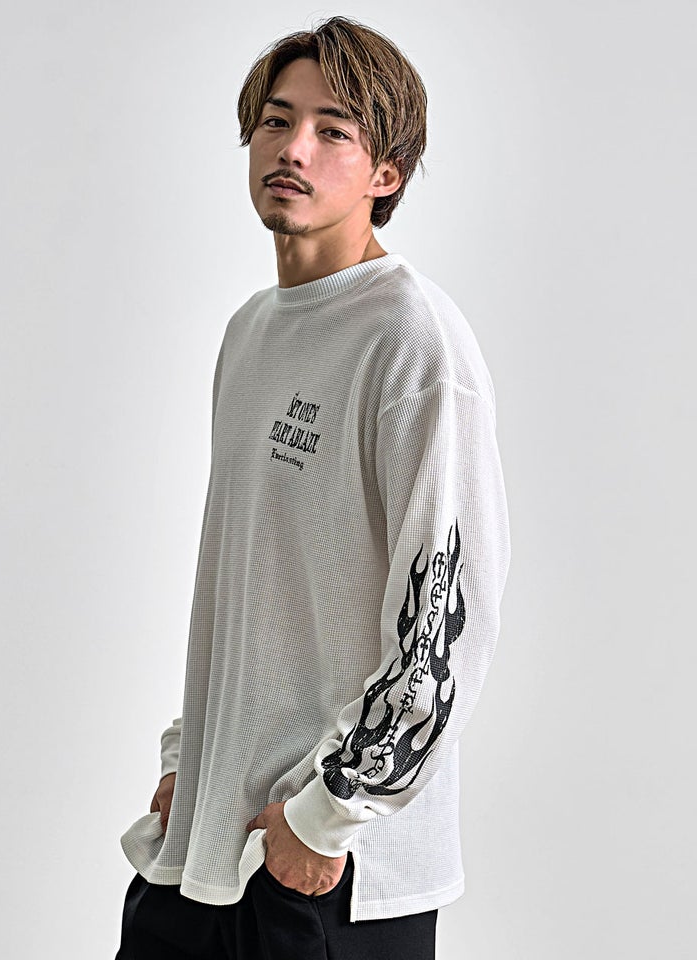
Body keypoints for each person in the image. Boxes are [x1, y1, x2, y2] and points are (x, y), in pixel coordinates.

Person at [115, 15, 511, 960]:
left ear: (388, 173)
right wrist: (191, 755)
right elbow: (250, 581)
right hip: (205, 849)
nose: (293, 148)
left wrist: (330, 811)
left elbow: (447, 615)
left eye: (334, 130)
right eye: (276, 120)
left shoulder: (412, 340)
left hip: (329, 876)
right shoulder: (251, 331)